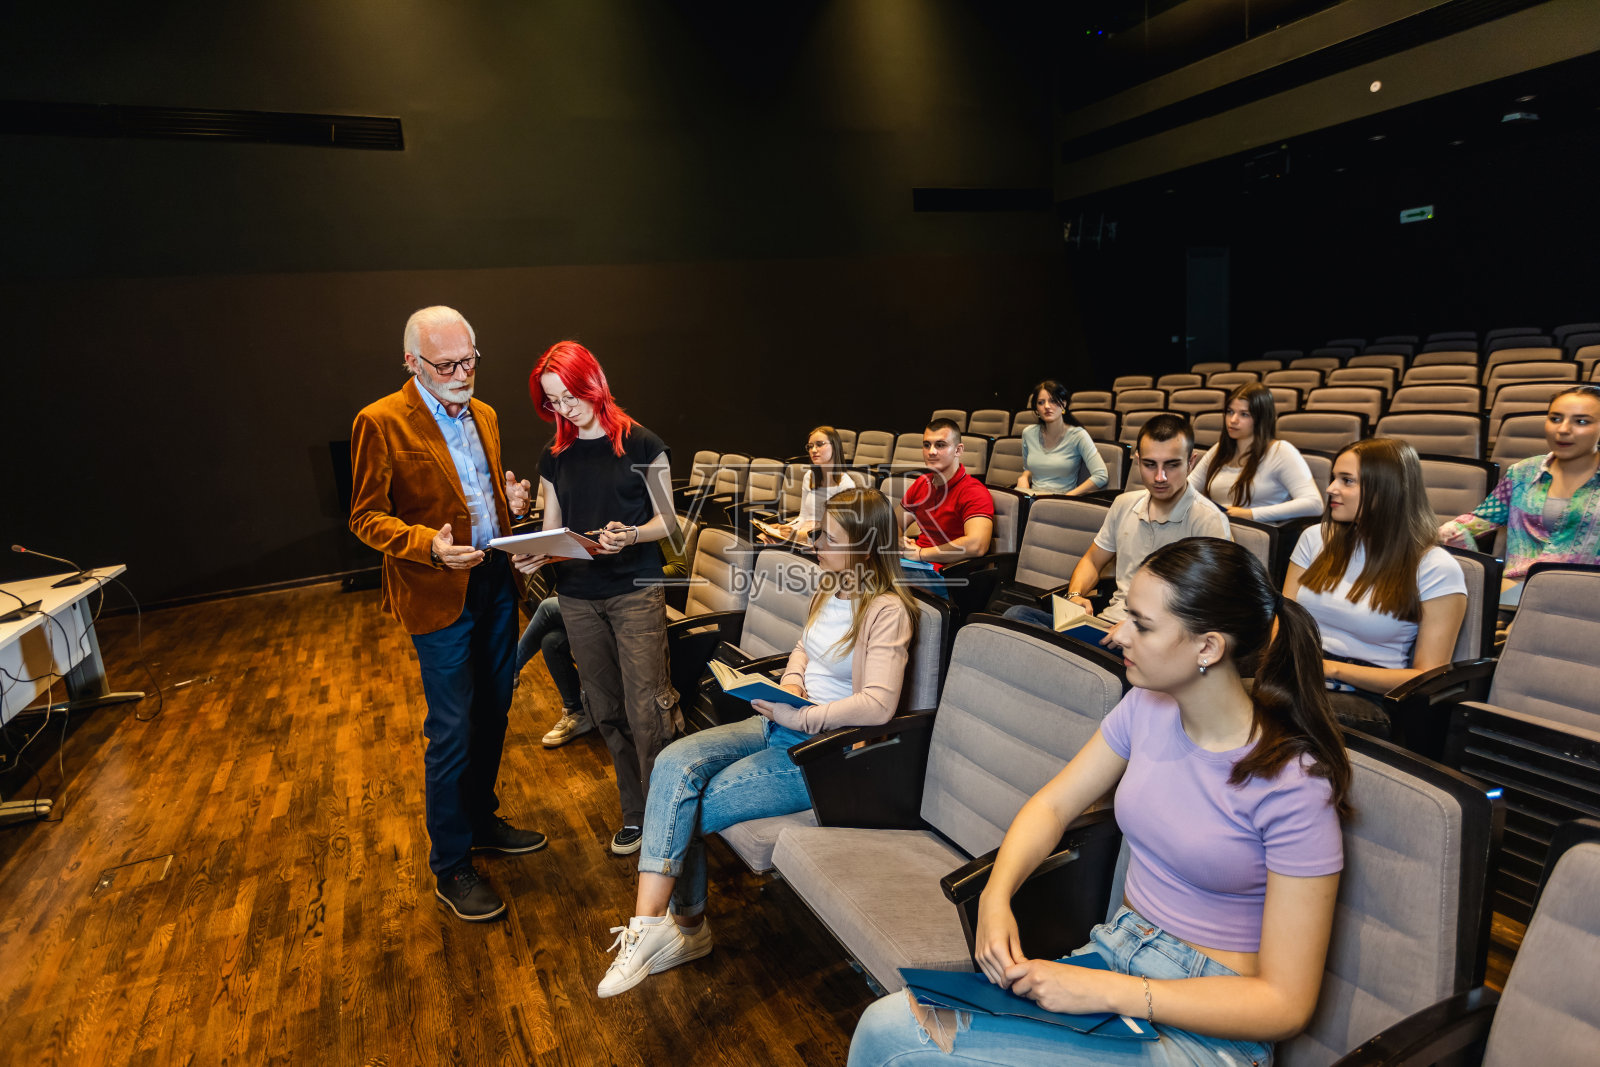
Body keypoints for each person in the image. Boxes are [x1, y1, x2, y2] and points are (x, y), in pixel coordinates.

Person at [850, 537, 1351, 1066]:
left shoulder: (1294, 782)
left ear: (1208, 648)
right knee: (894, 1030)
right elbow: (1051, 807)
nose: (1118, 634)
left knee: (896, 1039)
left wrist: (1107, 991)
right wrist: (998, 896)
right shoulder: (1145, 707)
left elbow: (1285, 1004)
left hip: (1209, 1021)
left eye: (1142, 624)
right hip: (1118, 953)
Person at [597, 488, 918, 997]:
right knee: (673, 763)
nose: (814, 543)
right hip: (782, 723)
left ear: (865, 546)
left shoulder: (886, 610)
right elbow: (802, 649)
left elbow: (878, 705)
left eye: (827, 538)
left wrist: (804, 714)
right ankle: (654, 928)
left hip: (823, 754)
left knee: (684, 810)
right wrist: (788, 686)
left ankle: (684, 931)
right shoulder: (830, 588)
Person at [349, 305, 547, 923]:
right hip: (436, 593)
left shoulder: (484, 414)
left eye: (470, 360)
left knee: (495, 711)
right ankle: (451, 864)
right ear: (412, 363)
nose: (463, 373)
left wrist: (508, 505)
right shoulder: (379, 421)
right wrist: (428, 546)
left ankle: (481, 820)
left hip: (493, 580)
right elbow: (365, 517)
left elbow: (484, 496)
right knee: (453, 728)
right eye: (447, 364)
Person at [513, 340, 682, 857]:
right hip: (579, 595)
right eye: (552, 402)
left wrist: (629, 535)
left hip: (635, 590)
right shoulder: (553, 456)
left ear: (593, 383)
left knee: (647, 707)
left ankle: (666, 812)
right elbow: (551, 529)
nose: (563, 409)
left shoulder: (643, 444)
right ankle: (636, 813)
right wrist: (536, 555)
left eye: (569, 396)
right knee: (605, 708)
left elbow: (669, 523)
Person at [1285, 437, 1466, 736]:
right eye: (1333, 478)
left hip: (1368, 696)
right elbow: (1284, 617)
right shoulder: (1314, 538)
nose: (1331, 488)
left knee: (1276, 709)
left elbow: (1426, 676)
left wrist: (1331, 669)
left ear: (1386, 490)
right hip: (1300, 673)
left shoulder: (1434, 567)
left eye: (1347, 481)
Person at [1042, 414, 1231, 629]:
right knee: (1018, 614)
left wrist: (1139, 628)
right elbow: (1093, 561)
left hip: (1161, 637)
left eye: (1171, 465)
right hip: (1109, 624)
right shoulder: (1123, 504)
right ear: (1138, 460)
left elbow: (1212, 606)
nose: (1160, 477)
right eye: (1150, 465)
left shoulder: (1209, 520)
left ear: (1191, 463)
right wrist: (1075, 596)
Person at [521, 527, 688, 749]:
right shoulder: (598, 519)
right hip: (595, 599)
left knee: (546, 608)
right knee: (551, 641)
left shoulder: (658, 520)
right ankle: (577, 712)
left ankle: (510, 670)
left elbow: (680, 569)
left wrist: (629, 578)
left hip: (637, 605)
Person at [1439, 384, 1600, 606]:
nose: (1563, 429)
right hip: (1513, 597)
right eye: (1555, 419)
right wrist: (1448, 532)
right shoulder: (1522, 473)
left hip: (1582, 605)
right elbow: (1480, 521)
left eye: (1581, 421)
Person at [1188, 383, 1322, 522]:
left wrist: (1251, 514)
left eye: (1244, 414)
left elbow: (1314, 504)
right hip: (1218, 529)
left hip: (1260, 534)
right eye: (1230, 412)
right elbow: (1188, 488)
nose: (1233, 420)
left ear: (1261, 418)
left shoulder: (1281, 451)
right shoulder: (1219, 448)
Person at [899, 418, 995, 594]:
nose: (931, 451)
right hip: (915, 564)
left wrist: (921, 554)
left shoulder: (973, 491)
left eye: (940, 445)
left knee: (881, 578)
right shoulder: (921, 483)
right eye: (926, 445)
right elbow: (894, 522)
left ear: (958, 450)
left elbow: (977, 544)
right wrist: (899, 541)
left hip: (949, 573)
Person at [758, 425, 864, 542]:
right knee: (763, 537)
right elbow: (803, 516)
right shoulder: (809, 476)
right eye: (810, 446)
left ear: (835, 447)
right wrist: (784, 528)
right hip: (805, 531)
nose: (813, 450)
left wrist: (800, 535)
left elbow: (838, 529)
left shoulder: (846, 485)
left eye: (819, 444)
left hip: (825, 538)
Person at [1015, 379, 1107, 496]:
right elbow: (1028, 468)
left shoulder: (1078, 435)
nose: (1047, 406)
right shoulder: (1028, 433)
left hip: (1059, 500)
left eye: (1053, 401)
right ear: (1036, 409)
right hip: (1030, 497)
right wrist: (1024, 477)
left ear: (1064, 404)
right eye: (1041, 402)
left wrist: (1068, 497)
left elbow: (1101, 475)